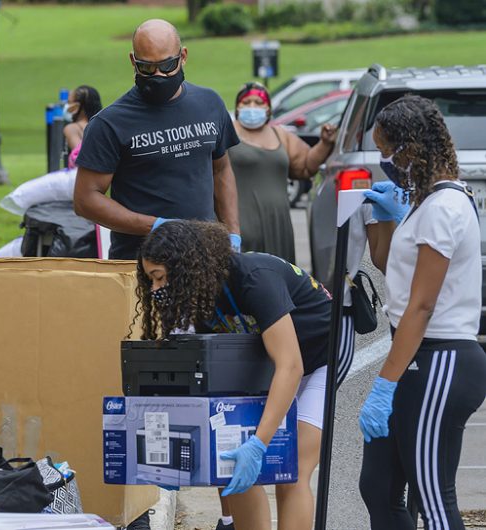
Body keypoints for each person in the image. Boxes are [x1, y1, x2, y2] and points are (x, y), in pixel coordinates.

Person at [136, 220, 334, 530]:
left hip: (320, 357)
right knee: (233, 463)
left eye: (160, 278)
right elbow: (195, 382)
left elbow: (291, 365)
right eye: (151, 281)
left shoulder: (254, 278)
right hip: (269, 363)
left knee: (291, 469)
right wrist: (172, 455)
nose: (155, 290)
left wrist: (258, 443)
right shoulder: (198, 297)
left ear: (186, 268)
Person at [358, 95, 486, 529]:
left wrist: (384, 383)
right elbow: (389, 267)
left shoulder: (444, 207)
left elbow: (422, 305)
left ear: (410, 149)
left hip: (441, 358)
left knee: (433, 497)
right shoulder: (425, 203)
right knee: (378, 487)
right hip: (418, 358)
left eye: (385, 151)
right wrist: (382, 218)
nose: (384, 161)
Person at [74, 19, 241, 261]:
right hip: (139, 263)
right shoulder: (109, 123)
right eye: (147, 68)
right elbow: (85, 200)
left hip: (203, 260)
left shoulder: (210, 103)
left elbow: (221, 170)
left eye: (167, 65)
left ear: (183, 56)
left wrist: (233, 234)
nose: (159, 75)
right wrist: (157, 226)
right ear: (133, 61)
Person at [230, 82, 337, 262]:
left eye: (259, 102)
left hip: (277, 226)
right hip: (240, 226)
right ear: (237, 107)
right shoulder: (227, 133)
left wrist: (325, 143)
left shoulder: (280, 135)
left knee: (278, 272)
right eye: (246, 102)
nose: (252, 107)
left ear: (268, 109)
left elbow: (305, 166)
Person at [62, 85, 102, 169]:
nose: (66, 106)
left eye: (69, 102)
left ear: (76, 106)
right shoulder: (103, 126)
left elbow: (81, 158)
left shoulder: (71, 128)